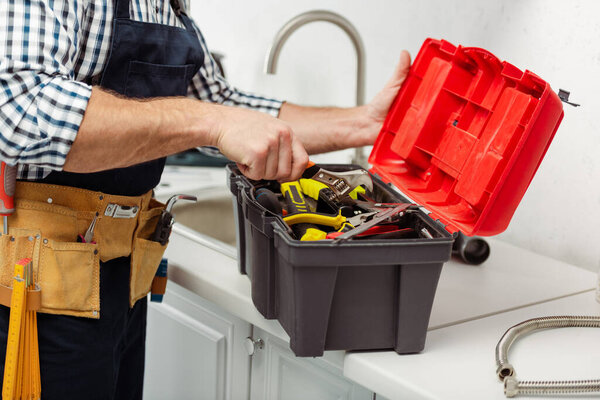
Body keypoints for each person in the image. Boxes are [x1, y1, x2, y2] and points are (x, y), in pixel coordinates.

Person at [0, 0, 411, 398]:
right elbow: (19, 109)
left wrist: (365, 124)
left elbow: (218, 102)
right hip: (40, 290)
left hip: (121, 276)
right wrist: (214, 123)